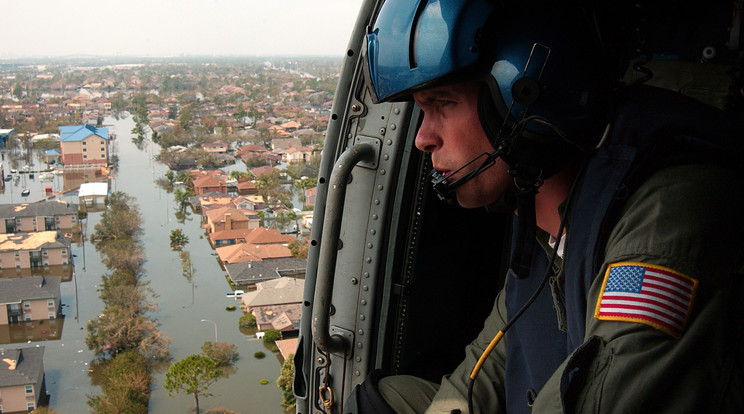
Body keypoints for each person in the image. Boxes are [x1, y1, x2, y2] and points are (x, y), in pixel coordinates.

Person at [349, 0, 744, 413]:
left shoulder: (669, 213)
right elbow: (477, 379)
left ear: (525, 93)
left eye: (443, 105)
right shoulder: (543, 237)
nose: (423, 138)